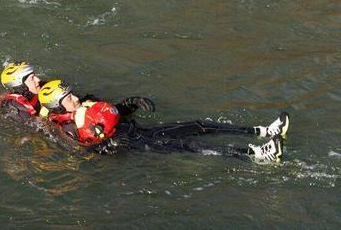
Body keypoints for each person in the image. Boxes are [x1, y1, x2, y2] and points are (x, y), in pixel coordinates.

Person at [37, 79, 289, 164]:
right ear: (57, 106)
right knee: (188, 145)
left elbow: (113, 113)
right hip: (135, 144)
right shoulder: (65, 128)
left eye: (71, 93)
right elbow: (80, 153)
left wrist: (131, 103)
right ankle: (255, 154)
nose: (73, 97)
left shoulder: (87, 103)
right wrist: (107, 147)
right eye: (67, 98)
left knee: (198, 125)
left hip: (140, 131)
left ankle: (260, 130)